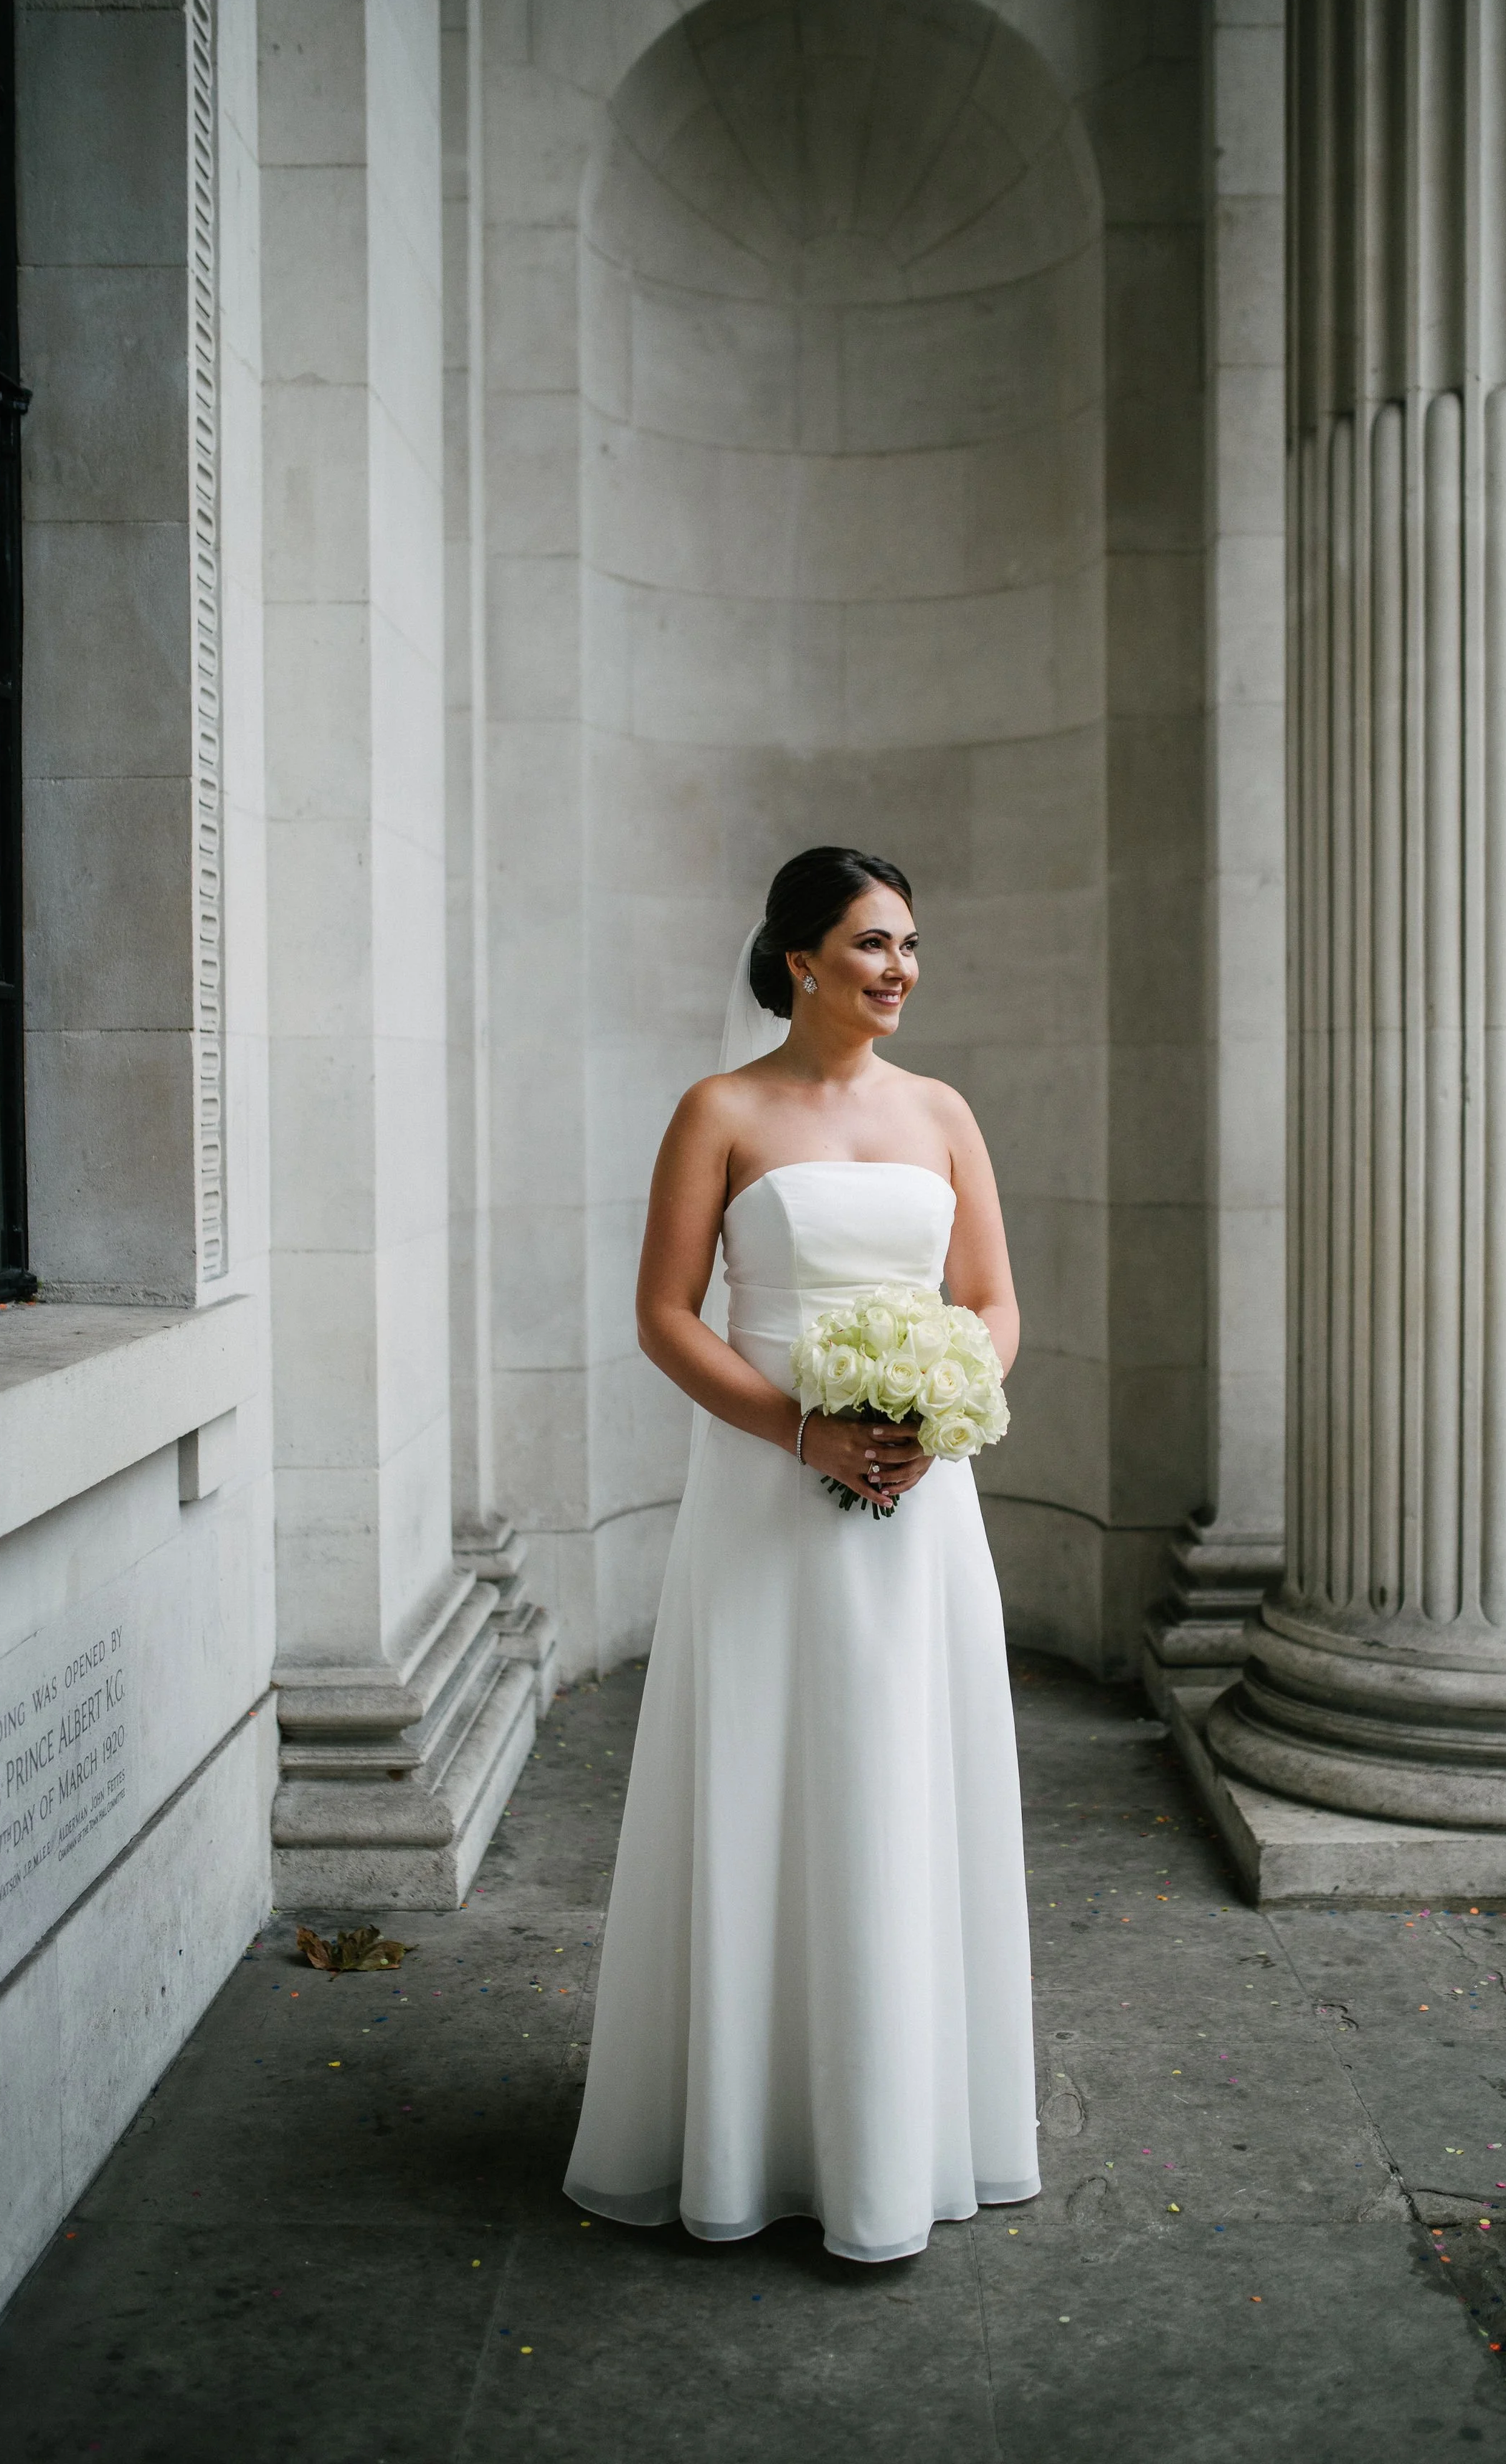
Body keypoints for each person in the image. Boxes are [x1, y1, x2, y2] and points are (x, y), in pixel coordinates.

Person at [562, 846, 1040, 2261]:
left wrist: (948, 1409)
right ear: (798, 962)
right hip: (769, 1492)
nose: (898, 970)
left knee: (902, 1776)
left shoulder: (942, 1111)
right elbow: (665, 1315)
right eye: (871, 945)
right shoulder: (718, 1109)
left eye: (908, 947)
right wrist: (802, 1433)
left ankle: (902, 2128)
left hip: (921, 1502)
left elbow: (993, 1300)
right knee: (770, 1769)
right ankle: (744, 2126)